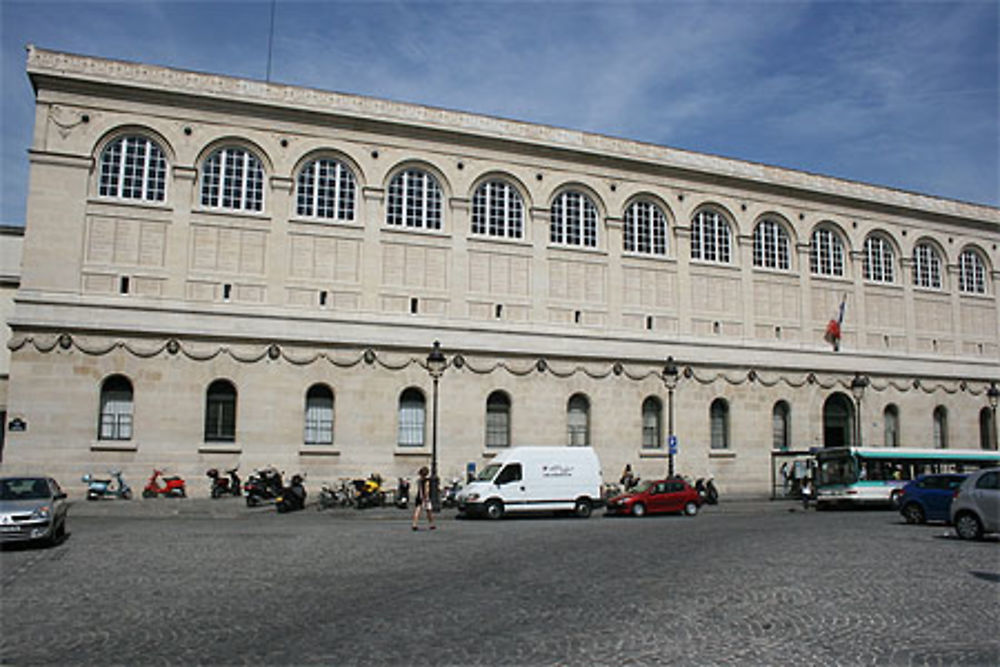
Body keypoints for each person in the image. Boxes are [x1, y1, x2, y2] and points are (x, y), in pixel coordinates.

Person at [412, 466, 435, 531]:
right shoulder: (427, 481)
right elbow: (426, 490)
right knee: (429, 511)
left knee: (417, 511)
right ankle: (431, 524)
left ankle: (414, 524)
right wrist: (426, 498)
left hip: (418, 496)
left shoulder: (419, 480)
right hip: (425, 498)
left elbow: (420, 489)